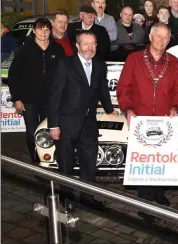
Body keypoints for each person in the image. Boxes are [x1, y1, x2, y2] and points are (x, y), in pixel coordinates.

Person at [117, 23, 178, 223]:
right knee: (144, 162)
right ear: (150, 36)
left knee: (161, 160)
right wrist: (128, 110)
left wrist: (175, 107)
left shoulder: (174, 62)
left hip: (164, 119)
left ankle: (157, 193)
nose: (162, 41)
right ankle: (144, 203)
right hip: (141, 118)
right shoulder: (134, 59)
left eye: (166, 38)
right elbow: (123, 88)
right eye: (159, 36)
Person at [48, 30, 115, 211]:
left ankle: (88, 198)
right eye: (86, 44)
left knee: (89, 163)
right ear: (77, 45)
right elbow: (54, 96)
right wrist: (53, 125)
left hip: (88, 124)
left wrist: (110, 109)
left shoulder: (100, 65)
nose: (90, 48)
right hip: (66, 124)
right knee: (66, 165)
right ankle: (66, 199)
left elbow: (102, 89)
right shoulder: (65, 64)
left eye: (93, 44)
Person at [8, 18, 65, 164]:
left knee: (49, 130)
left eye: (46, 29)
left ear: (50, 31)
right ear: (34, 31)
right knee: (32, 131)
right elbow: (13, 74)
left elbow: (65, 73)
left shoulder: (57, 49)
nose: (43, 32)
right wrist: (17, 98)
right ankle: (35, 162)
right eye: (40, 29)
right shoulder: (25, 49)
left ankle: (50, 159)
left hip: (50, 100)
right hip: (29, 100)